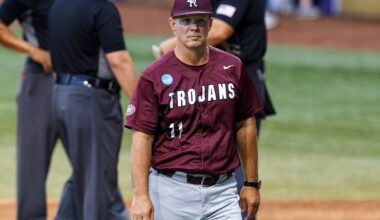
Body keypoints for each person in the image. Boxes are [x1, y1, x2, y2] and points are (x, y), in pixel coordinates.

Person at [126, 0, 261, 219]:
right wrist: (140, 195)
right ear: (172, 24)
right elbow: (142, 137)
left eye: (200, 20)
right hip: (171, 192)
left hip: (224, 191)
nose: (193, 27)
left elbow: (245, 123)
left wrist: (251, 182)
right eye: (185, 20)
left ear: (210, 23)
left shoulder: (232, 67)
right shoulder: (153, 77)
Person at [156, 0, 276, 218]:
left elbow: (220, 30)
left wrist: (169, 47)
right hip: (210, 82)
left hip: (237, 82)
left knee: (236, 163)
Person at [48, 0, 138, 219]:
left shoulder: (59, 5)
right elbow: (119, 62)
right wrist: (142, 104)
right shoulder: (102, 8)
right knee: (97, 180)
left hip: (61, 94)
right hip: (91, 101)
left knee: (84, 173)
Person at [0, 0, 57, 219]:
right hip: (40, 81)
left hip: (81, 82)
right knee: (32, 168)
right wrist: (33, 51)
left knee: (91, 163)